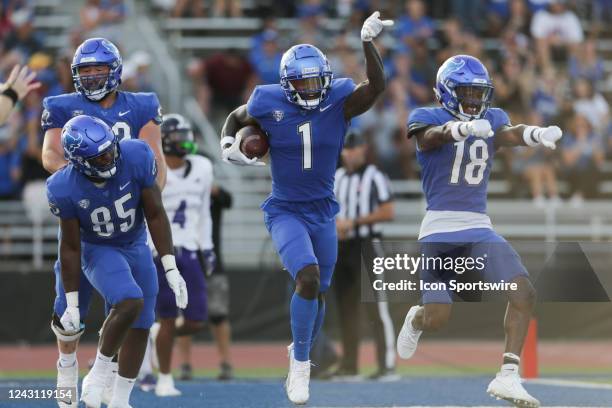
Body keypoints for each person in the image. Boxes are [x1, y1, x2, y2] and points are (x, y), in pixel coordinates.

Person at [220, 11, 392, 405]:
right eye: (302, 82)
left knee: (319, 294)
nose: (312, 89)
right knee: (309, 278)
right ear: (286, 84)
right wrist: (228, 145)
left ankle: (300, 356)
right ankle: (300, 365)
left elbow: (376, 86)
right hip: (285, 209)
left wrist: (367, 43)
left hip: (324, 211)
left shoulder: (339, 100)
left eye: (317, 81)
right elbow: (235, 117)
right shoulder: (267, 99)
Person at [397, 54, 563, 408]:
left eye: (478, 93)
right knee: (437, 319)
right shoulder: (426, 116)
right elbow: (429, 139)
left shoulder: (491, 118)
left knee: (524, 293)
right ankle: (417, 317)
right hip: (439, 231)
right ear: (446, 92)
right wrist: (460, 129)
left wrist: (536, 134)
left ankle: (508, 376)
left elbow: (507, 133)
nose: (474, 101)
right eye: (466, 93)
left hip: (478, 227)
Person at [40, 37, 166, 407]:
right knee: (69, 314)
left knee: (133, 306)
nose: (92, 77)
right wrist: (87, 180)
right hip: (84, 217)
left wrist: (142, 195)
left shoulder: (142, 105)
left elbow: (155, 165)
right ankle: (67, 363)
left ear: (115, 72)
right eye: (86, 70)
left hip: (126, 224)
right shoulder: (61, 106)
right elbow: (50, 153)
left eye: (99, 69)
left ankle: (108, 378)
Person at [46, 115, 187, 408]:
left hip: (135, 244)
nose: (111, 157)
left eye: (111, 149)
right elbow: (70, 246)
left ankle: (120, 400)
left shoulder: (135, 154)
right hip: (97, 248)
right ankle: (97, 373)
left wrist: (170, 265)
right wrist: (72, 302)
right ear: (80, 162)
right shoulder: (63, 186)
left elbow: (156, 213)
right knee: (129, 300)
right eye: (101, 157)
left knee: (143, 323)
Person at [148, 113, 214, 396]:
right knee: (166, 317)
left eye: (187, 136)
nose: (185, 142)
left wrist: (208, 248)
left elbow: (204, 213)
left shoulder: (202, 166)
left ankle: (152, 336)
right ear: (164, 142)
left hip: (190, 249)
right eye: (178, 138)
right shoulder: (153, 169)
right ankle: (164, 377)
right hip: (161, 252)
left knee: (196, 320)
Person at [332, 130, 397, 381]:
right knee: (346, 307)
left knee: (376, 306)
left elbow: (388, 211)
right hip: (342, 246)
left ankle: (386, 364)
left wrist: (354, 222)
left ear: (363, 150)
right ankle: (350, 364)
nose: (350, 154)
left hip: (367, 245)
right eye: (346, 150)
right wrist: (335, 224)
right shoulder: (337, 176)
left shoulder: (375, 176)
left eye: (354, 149)